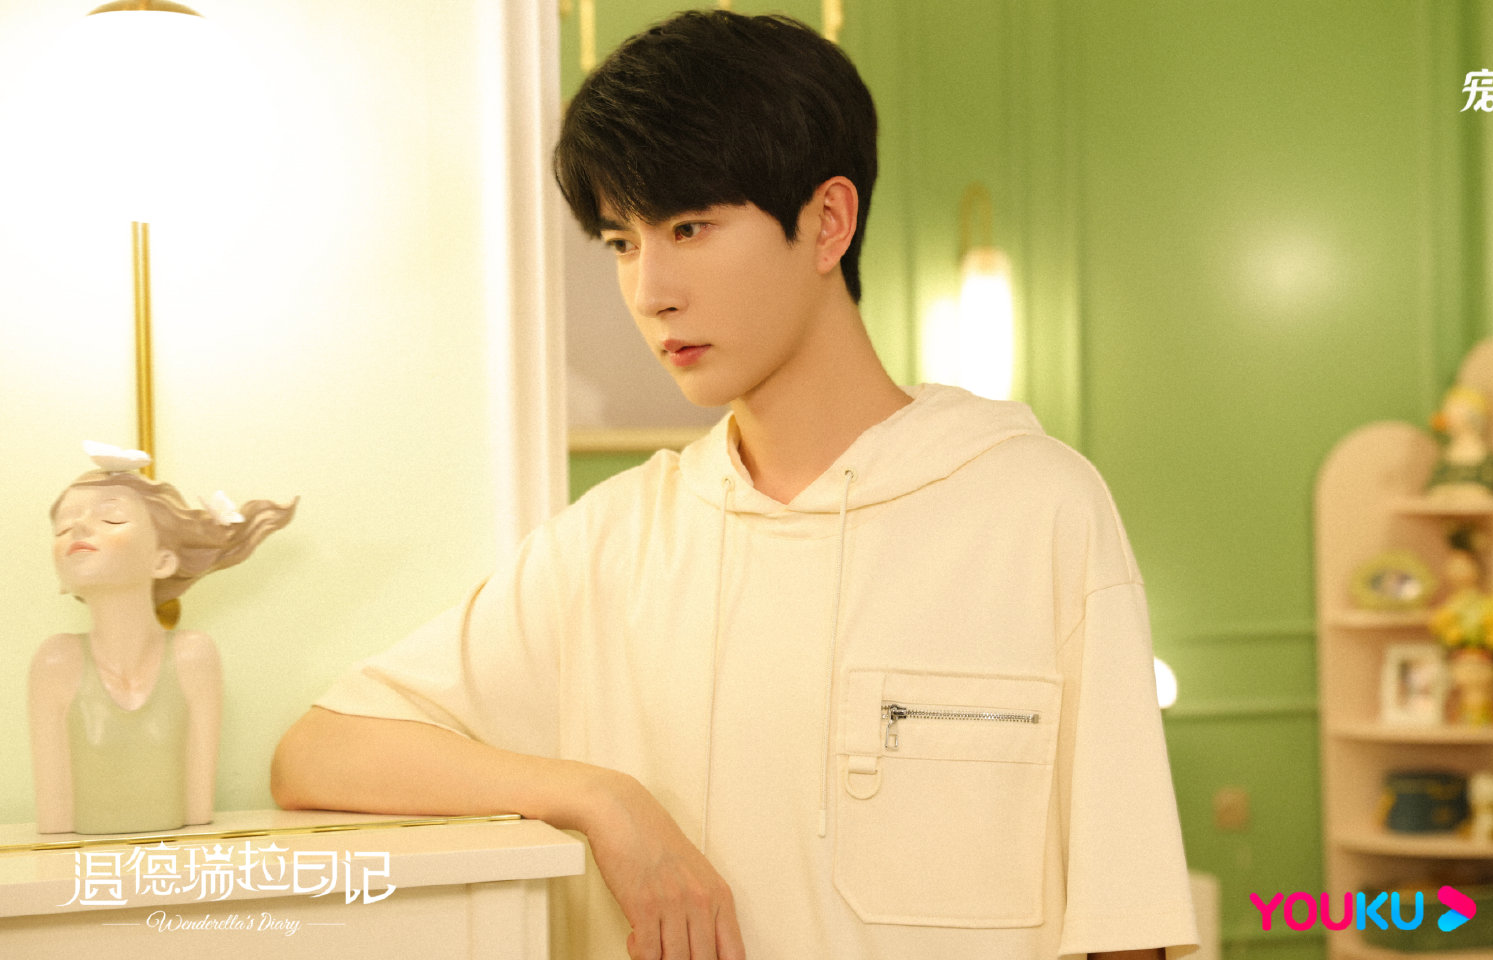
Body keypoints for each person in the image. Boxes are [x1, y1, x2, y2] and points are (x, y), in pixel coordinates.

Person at [271, 11, 1196, 960]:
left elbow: (1127, 926)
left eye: (690, 227)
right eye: (622, 241)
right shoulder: (614, 543)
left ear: (827, 222)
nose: (650, 291)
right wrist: (605, 800)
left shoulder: (1035, 508)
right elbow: (319, 752)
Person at [31, 455, 296, 834]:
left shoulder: (193, 656)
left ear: (163, 560)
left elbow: (196, 811)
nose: (80, 528)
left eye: (112, 518)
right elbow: (55, 822)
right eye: (64, 526)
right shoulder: (56, 662)